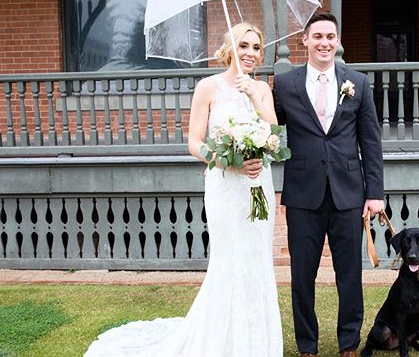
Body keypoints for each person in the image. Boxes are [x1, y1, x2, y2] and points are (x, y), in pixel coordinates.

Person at [85, 22, 283, 356]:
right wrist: (228, 162)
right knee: (228, 259)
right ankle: (221, 341)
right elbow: (193, 142)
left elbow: (275, 134)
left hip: (257, 184)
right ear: (230, 49)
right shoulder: (208, 87)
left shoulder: (262, 89)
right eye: (244, 46)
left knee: (257, 259)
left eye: (256, 48)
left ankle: (256, 343)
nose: (250, 53)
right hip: (224, 185)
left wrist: (251, 93)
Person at [273, 11, 384, 357]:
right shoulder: (285, 84)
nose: (324, 43)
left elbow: (371, 140)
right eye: (317, 36)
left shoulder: (358, 83)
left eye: (330, 37)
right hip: (303, 194)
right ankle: (307, 345)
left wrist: (375, 194)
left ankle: (348, 343)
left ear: (337, 42)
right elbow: (270, 131)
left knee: (349, 274)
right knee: (301, 277)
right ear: (304, 40)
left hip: (348, 193)